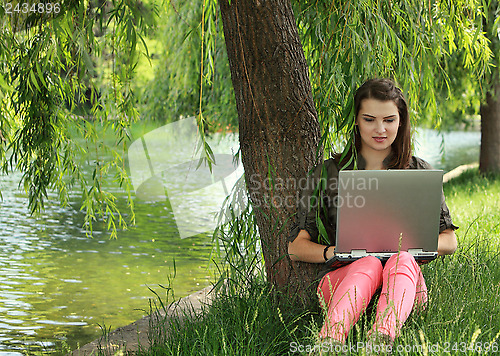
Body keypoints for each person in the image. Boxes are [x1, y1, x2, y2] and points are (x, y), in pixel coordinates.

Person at [287, 78, 458, 351]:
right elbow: (296, 248)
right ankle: (329, 340)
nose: (380, 129)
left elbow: (449, 242)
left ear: (401, 121)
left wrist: (410, 249)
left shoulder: (419, 172)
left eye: (389, 120)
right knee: (367, 263)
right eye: (369, 120)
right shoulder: (328, 174)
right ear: (356, 120)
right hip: (343, 283)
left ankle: (381, 339)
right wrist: (335, 252)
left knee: (401, 259)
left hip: (404, 284)